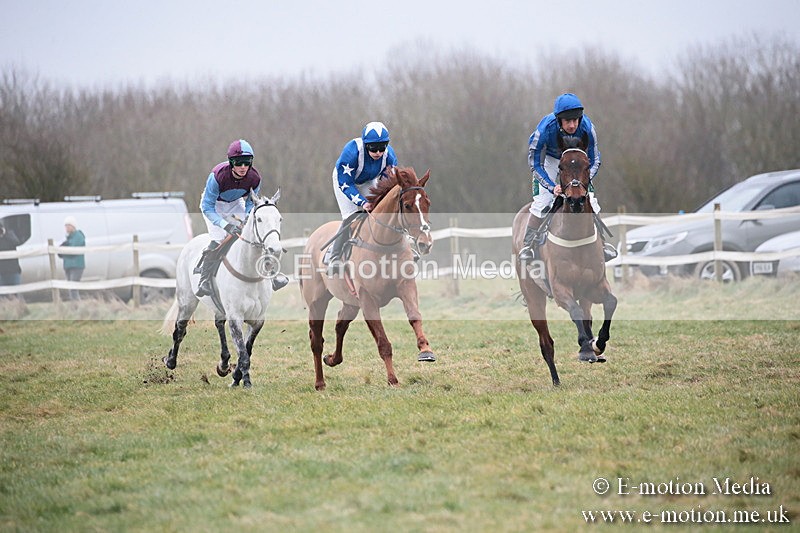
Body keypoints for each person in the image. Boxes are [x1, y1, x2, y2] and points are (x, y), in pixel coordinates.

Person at [519, 93, 617, 263]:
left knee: (591, 199)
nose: (572, 125)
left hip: (577, 160)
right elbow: (534, 163)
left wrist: (585, 182)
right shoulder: (543, 131)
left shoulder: (588, 128)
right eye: (567, 121)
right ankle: (528, 246)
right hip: (549, 159)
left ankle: (603, 245)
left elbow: (595, 160)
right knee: (542, 201)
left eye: (575, 120)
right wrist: (551, 186)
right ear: (559, 120)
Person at [196, 139, 289, 297]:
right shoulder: (217, 177)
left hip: (235, 203)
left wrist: (246, 218)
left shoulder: (255, 178)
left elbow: (250, 203)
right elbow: (207, 207)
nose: (243, 167)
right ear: (231, 162)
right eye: (239, 163)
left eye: (247, 163)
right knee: (219, 238)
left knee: (253, 235)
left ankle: (272, 274)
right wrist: (226, 225)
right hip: (214, 206)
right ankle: (203, 280)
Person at [327, 121, 398, 276]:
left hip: (368, 180)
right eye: (373, 147)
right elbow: (345, 184)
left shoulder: (390, 157)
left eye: (382, 147)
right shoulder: (351, 153)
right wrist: (362, 202)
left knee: (378, 212)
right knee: (352, 216)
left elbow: (387, 185)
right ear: (366, 145)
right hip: (346, 181)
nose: (378, 152)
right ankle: (334, 255)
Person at [59, 216, 85, 301]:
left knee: (73, 288)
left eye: (68, 225)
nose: (66, 227)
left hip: (76, 265)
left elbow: (73, 250)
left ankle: (77, 306)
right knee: (70, 288)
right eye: (65, 225)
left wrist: (63, 252)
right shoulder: (68, 238)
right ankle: (74, 306)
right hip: (68, 265)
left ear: (73, 226)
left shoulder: (78, 237)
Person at [0, 221, 22, 286]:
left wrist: (5, 233)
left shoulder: (10, 235)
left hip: (13, 271)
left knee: (15, 293)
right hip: (1, 273)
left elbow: (16, 242)